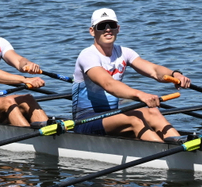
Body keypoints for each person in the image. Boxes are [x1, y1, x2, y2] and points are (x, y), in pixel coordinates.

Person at [71, 8, 189, 142]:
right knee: (135, 118)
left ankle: (180, 148)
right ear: (92, 31)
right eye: (102, 26)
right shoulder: (88, 55)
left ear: (118, 29)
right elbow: (108, 84)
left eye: (112, 25)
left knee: (153, 112)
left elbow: (154, 70)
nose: (108, 30)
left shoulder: (124, 52)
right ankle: (164, 158)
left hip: (112, 116)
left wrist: (175, 75)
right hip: (86, 120)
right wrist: (140, 95)